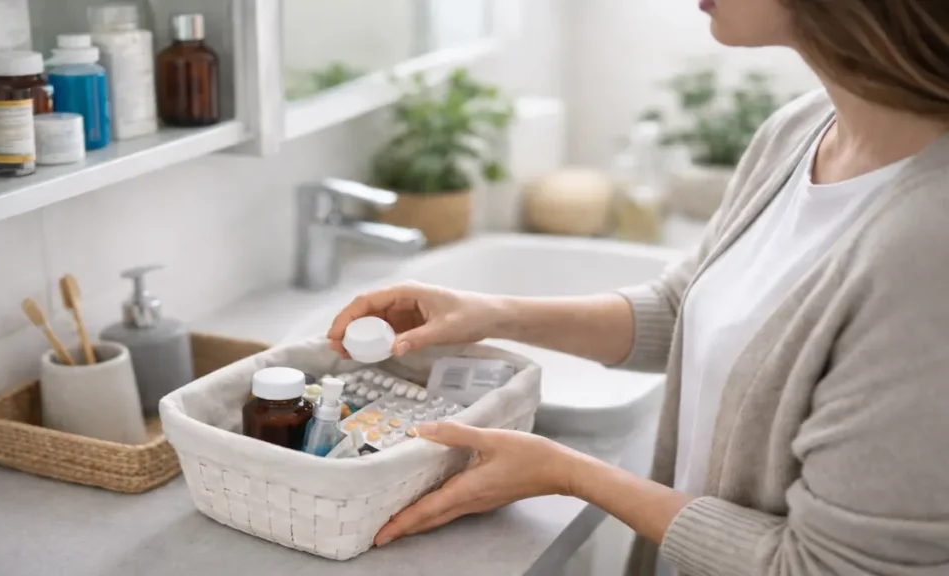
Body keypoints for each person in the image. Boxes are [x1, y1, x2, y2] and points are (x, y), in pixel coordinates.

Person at [327, 1, 949, 574]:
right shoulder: (803, 129)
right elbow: (687, 310)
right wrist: (492, 313)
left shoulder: (927, 248)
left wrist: (571, 474)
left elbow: (834, 568)